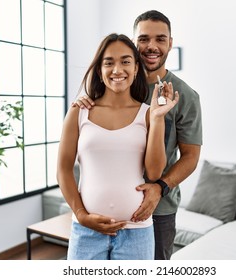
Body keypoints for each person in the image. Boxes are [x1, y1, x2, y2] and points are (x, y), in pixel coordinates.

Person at [73, 10, 202, 260]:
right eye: (143, 39)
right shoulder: (116, 83)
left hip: (158, 210)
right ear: (134, 43)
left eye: (160, 39)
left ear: (170, 43)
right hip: (103, 210)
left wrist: (160, 187)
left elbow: (191, 157)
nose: (151, 46)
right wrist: (87, 100)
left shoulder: (185, 97)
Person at [57, 33, 179, 260]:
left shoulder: (149, 114)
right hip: (86, 232)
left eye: (125, 61)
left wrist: (159, 117)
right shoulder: (79, 111)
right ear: (99, 71)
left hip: (137, 232)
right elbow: (63, 169)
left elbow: (153, 172)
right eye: (109, 62)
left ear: (135, 69)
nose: (117, 69)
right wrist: (81, 214)